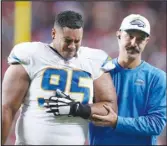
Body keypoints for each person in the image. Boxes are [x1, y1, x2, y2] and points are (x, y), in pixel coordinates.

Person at [2, 10, 118, 145]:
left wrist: (77, 109)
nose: (72, 46)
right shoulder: (31, 54)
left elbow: (109, 109)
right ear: (53, 34)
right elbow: (7, 108)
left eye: (77, 41)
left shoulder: (93, 59)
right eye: (67, 40)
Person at [89, 14, 166, 145]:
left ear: (147, 41)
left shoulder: (157, 78)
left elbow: (156, 124)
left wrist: (117, 122)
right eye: (129, 36)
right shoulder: (99, 73)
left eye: (140, 39)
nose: (133, 43)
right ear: (118, 35)